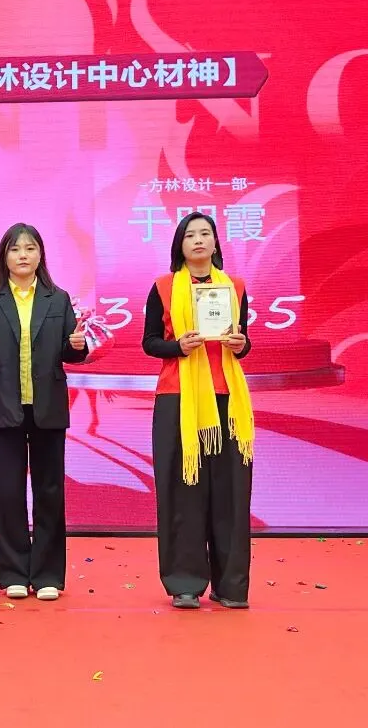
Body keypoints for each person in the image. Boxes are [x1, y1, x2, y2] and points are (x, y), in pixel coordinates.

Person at [0, 223, 89, 601]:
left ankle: (48, 574)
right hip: (4, 406)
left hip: (47, 405)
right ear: (4, 256)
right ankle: (13, 573)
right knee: (6, 492)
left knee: (49, 491)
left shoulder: (58, 298)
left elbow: (70, 351)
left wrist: (77, 345)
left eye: (30, 248)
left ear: (40, 255)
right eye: (15, 249)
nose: (23, 255)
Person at [142, 211, 256, 610]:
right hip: (179, 398)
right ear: (180, 244)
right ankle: (185, 583)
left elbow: (244, 342)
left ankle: (231, 586)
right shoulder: (163, 287)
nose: (198, 240)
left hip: (228, 399)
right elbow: (150, 342)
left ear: (215, 242)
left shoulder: (234, 287)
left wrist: (240, 344)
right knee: (182, 491)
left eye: (205, 233)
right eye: (190, 235)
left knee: (230, 494)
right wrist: (179, 346)